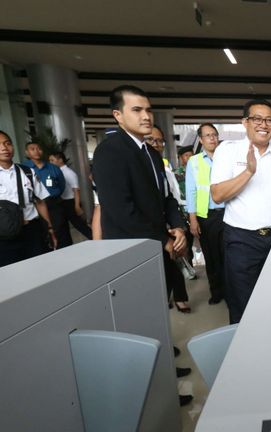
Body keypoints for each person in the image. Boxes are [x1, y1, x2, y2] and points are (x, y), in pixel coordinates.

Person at [91, 85, 193, 401]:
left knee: (155, 314)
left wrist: (177, 227)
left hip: (156, 247)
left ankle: (162, 370)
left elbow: (165, 199)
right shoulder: (111, 151)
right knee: (136, 321)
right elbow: (120, 209)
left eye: (148, 109)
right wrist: (163, 239)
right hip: (130, 250)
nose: (146, 116)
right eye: (137, 110)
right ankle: (153, 395)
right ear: (118, 115)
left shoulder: (150, 152)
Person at [210, 99, 271, 324]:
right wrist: (248, 172)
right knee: (242, 304)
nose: (264, 124)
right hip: (241, 240)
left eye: (269, 120)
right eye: (257, 119)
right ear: (245, 122)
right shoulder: (228, 151)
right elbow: (217, 195)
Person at [145, 125, 192, 312]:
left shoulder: (164, 166)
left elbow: (171, 196)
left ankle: (180, 297)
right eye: (151, 140)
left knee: (175, 258)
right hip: (149, 227)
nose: (157, 145)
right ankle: (162, 300)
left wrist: (178, 225)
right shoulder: (140, 165)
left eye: (160, 141)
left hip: (171, 220)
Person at [0, 130, 56, 266]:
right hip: (4, 236)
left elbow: (40, 201)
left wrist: (50, 229)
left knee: (39, 270)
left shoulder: (27, 172)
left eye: (7, 143)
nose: (4, 148)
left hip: (31, 232)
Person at [186, 123, 226, 305]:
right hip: (206, 216)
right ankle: (216, 291)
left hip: (228, 213)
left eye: (214, 135)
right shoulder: (194, 161)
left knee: (228, 254)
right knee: (211, 256)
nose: (212, 138)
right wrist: (192, 218)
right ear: (201, 140)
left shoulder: (226, 158)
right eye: (208, 135)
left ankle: (230, 290)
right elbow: (191, 190)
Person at [22, 141, 67, 247]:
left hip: (54, 203)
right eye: (32, 149)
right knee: (42, 234)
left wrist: (54, 195)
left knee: (60, 232)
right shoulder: (23, 168)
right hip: (35, 205)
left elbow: (62, 184)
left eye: (38, 148)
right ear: (27, 153)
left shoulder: (53, 168)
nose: (36, 151)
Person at [48, 152, 92, 242]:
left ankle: (96, 238)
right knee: (65, 227)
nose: (50, 162)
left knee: (79, 225)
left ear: (60, 160)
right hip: (62, 203)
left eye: (52, 160)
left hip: (71, 202)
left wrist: (77, 206)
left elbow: (76, 190)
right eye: (49, 160)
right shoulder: (57, 172)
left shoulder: (68, 172)